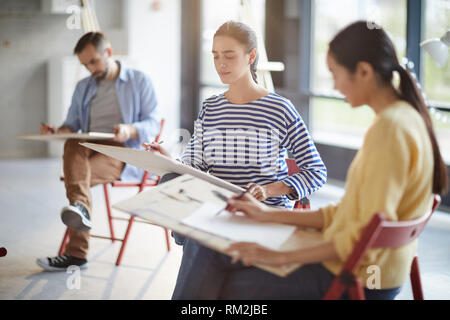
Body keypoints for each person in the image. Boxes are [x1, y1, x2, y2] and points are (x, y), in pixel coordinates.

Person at [221, 21, 448, 300]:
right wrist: (269, 213)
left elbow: (361, 237)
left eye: (335, 73)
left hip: (366, 278)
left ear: (364, 72)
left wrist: (280, 257)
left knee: (233, 284)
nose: (334, 85)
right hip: (382, 270)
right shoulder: (406, 117)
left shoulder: (389, 130)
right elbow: (351, 213)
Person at [145, 20, 327, 299]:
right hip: (218, 211)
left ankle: (190, 235)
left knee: (198, 240)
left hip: (261, 214)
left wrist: (269, 189)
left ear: (251, 56)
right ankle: (190, 233)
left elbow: (316, 171)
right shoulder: (211, 107)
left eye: (229, 56)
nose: (220, 64)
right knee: (172, 182)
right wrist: (170, 159)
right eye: (215, 56)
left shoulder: (279, 108)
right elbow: (194, 162)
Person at [36, 32, 161, 271]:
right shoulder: (84, 86)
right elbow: (71, 125)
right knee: (71, 143)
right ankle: (80, 213)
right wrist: (57, 131)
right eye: (85, 65)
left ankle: (76, 253)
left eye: (94, 61)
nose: (90, 69)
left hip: (123, 152)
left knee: (75, 180)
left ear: (109, 53)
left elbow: (153, 123)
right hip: (88, 149)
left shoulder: (138, 80)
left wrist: (130, 129)